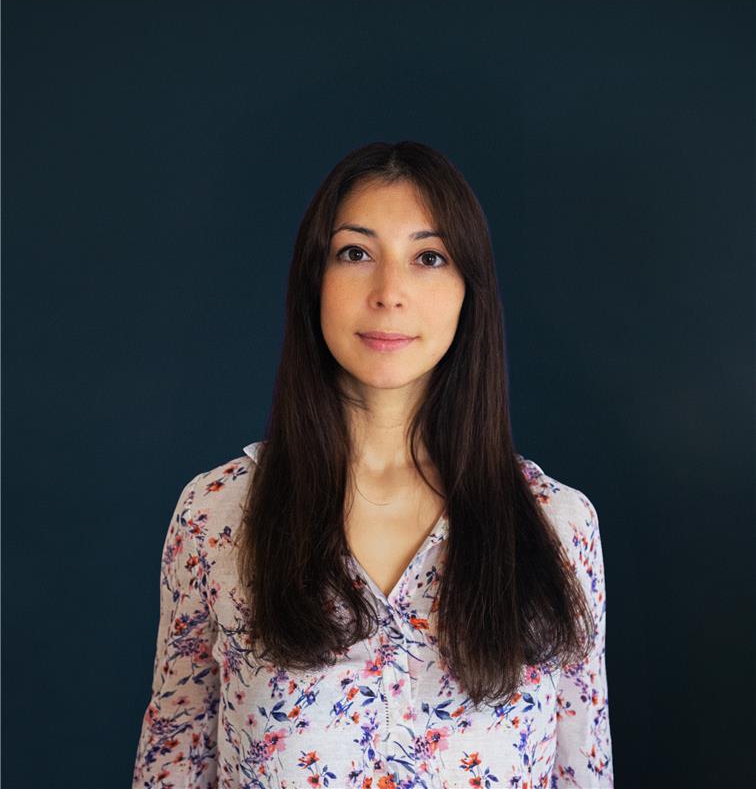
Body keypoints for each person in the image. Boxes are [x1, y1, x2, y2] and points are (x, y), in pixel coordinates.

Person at [132, 141, 613, 788]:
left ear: (468, 289)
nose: (389, 293)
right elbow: (171, 763)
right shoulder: (216, 517)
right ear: (315, 279)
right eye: (356, 253)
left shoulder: (558, 526)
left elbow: (584, 771)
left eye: (429, 257)